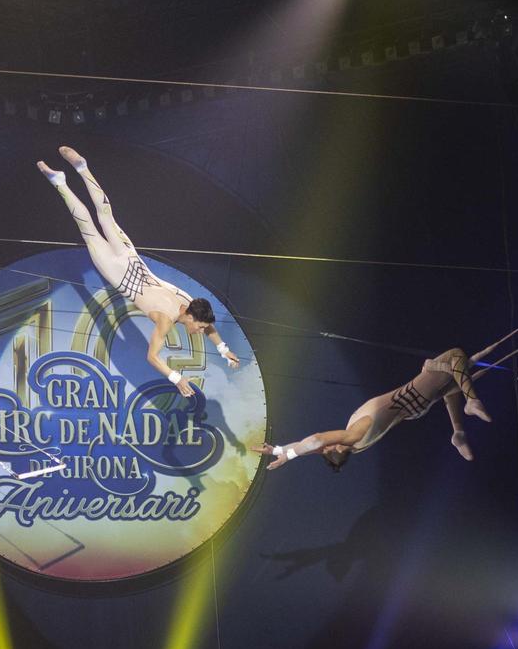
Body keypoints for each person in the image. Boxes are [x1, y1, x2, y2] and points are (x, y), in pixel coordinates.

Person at [37, 146, 239, 397]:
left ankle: (74, 172)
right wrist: (176, 378)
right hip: (119, 270)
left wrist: (223, 350)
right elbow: (152, 357)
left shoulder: (190, 301)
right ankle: (66, 178)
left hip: (128, 259)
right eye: (199, 327)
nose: (200, 332)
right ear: (190, 317)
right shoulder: (166, 320)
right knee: (92, 223)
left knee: (101, 219)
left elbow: (209, 327)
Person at [252, 347, 491, 469]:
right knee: (455, 356)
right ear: (337, 448)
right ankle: (471, 402)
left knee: (452, 387)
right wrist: (289, 456)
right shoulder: (352, 437)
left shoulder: (355, 447)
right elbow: (315, 440)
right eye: (327, 448)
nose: (324, 446)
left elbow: (312, 447)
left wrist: (278, 450)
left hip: (415, 408)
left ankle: (458, 433)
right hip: (413, 395)